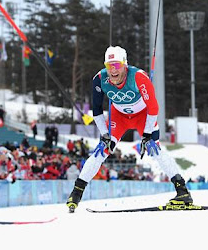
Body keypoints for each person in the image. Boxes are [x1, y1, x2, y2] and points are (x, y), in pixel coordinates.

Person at [66, 46, 193, 212]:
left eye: (117, 65)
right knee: (101, 150)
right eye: (109, 66)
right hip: (119, 117)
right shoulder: (99, 79)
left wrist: (147, 135)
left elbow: (153, 108)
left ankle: (182, 192)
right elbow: (96, 110)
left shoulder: (138, 77)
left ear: (125, 65)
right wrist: (105, 135)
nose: (113, 71)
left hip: (143, 116)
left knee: (155, 149)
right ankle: (76, 193)